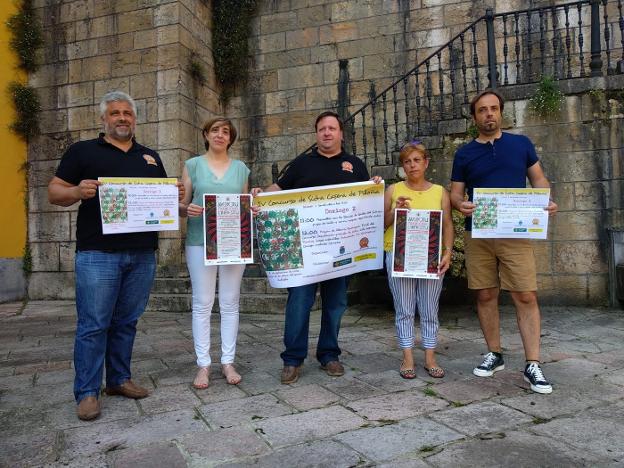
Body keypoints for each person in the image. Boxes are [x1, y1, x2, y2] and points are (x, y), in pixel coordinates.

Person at [48, 91, 183, 420]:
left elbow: (162, 204)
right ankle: (87, 391)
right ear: (103, 119)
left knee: (126, 322)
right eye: (115, 113)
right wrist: (77, 192)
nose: (122, 118)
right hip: (98, 254)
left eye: (127, 113)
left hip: (141, 254)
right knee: (94, 325)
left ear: (135, 119)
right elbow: (54, 192)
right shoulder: (82, 152)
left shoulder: (149, 157)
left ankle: (119, 380)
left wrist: (175, 196)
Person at [252, 111, 380, 385]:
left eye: (332, 128)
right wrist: (259, 194)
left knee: (336, 304)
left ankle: (329, 354)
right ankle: (292, 359)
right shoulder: (301, 164)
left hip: (341, 251)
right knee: (299, 303)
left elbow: (366, 200)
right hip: (305, 252)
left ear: (341, 133)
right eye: (322, 129)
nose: (327, 133)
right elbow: (278, 188)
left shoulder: (355, 165)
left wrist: (377, 187)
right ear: (316, 134)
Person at [450, 89, 558, 394]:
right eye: (482, 110)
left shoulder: (521, 144)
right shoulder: (464, 153)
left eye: (493, 109)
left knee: (526, 295)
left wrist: (547, 200)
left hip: (516, 232)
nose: (489, 114)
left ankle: (533, 363)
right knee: (485, 294)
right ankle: (494, 353)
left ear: (500, 112)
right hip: (479, 233)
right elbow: (455, 192)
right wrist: (460, 205)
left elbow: (538, 179)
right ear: (475, 117)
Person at [179, 118, 250, 389]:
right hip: (200, 241)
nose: (220, 135)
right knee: (203, 302)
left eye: (226, 132)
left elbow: (244, 205)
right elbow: (180, 205)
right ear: (206, 134)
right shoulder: (192, 165)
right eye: (215, 131)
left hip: (233, 243)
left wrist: (252, 208)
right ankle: (203, 364)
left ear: (231, 138)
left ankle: (228, 361)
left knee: (231, 302)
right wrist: (186, 209)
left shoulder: (241, 169)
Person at [383, 141, 454, 379]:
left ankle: (430, 357)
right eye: (407, 161)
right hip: (399, 256)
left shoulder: (440, 192)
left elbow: (447, 225)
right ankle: (407, 357)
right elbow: (380, 223)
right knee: (403, 308)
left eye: (416, 160)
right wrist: (397, 211)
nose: (412, 165)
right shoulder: (393, 191)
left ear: (426, 162)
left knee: (429, 308)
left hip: (431, 257)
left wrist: (447, 251)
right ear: (402, 166)